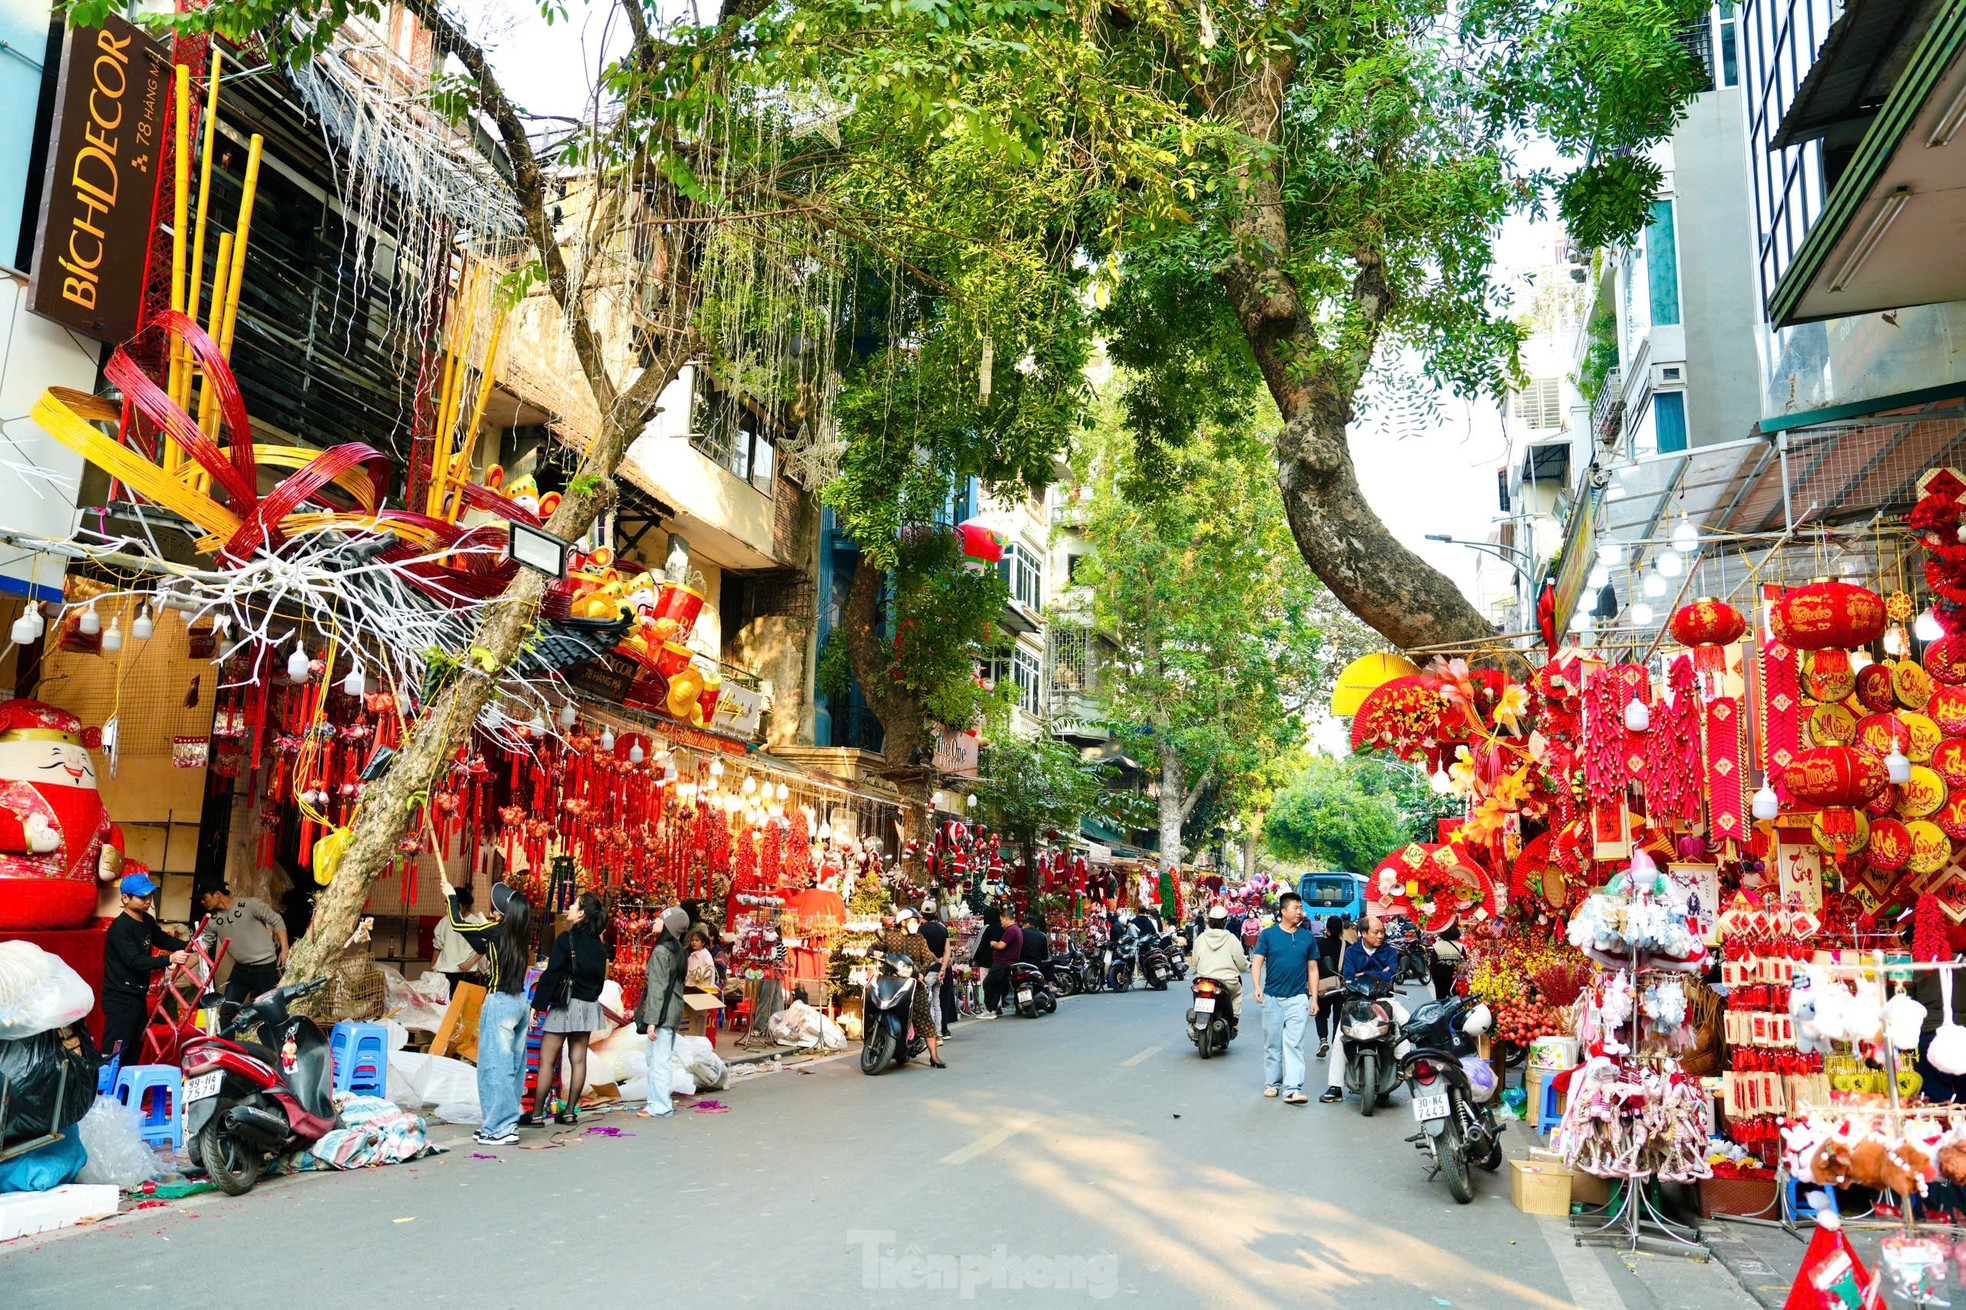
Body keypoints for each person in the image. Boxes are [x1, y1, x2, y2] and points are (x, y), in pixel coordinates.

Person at [439, 873, 533, 1146]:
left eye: (495, 907)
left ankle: (501, 1127)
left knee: (494, 1067)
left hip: (500, 1003)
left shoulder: (495, 930)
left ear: (502, 913)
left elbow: (457, 924)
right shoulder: (516, 933)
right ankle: (500, 1124)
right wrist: (482, 925)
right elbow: (480, 944)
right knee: (512, 1068)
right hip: (519, 1004)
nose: (492, 908)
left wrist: (451, 897)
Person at [527, 891, 608, 1127]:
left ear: (581, 913)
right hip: (588, 1006)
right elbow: (599, 983)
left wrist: (537, 1005)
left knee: (546, 1060)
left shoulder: (566, 939)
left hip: (565, 1006)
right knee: (579, 1059)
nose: (570, 907)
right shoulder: (599, 946)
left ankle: (536, 1115)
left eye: (574, 904)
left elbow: (552, 975)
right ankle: (570, 1112)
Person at [101, 872, 189, 1065]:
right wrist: (169, 959)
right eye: (142, 897)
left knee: (134, 1048)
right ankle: (101, 1092)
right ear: (125, 898)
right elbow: (135, 960)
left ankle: (124, 1093)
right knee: (115, 1050)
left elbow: (162, 939)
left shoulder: (147, 920)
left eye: (150, 896)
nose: (148, 901)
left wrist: (189, 945)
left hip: (138, 995)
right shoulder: (120, 927)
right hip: (120, 997)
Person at [1321, 916, 1404, 1104]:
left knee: (1404, 1022)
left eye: (1382, 931)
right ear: (1364, 933)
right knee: (1339, 1038)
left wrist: (1365, 974)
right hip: (1356, 1000)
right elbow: (1349, 976)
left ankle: (1402, 1064)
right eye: (1376, 932)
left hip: (1384, 999)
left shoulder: (1389, 951)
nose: (1381, 935)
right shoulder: (1352, 952)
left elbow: (1391, 974)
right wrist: (1378, 973)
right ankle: (1335, 1086)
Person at [1250, 891, 1320, 1104]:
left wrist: (1314, 998)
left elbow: (1313, 970)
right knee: (1272, 1044)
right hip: (1272, 997)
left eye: (1300, 908)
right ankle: (1272, 1083)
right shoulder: (1268, 935)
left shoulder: (1307, 937)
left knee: (1294, 1043)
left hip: (1298, 998)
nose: (1300, 912)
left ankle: (1292, 1088)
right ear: (1283, 911)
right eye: (1295, 908)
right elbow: (1258, 962)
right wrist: (1256, 987)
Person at [633, 906, 689, 1118]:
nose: (655, 922)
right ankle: (656, 1102)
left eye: (660, 919)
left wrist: (652, 1021)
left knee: (658, 1060)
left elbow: (657, 988)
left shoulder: (660, 952)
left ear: (668, 926)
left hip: (662, 1013)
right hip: (672, 1010)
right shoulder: (677, 951)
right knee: (660, 1059)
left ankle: (660, 1105)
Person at [196, 882, 289, 1006]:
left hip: (265, 967)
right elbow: (202, 948)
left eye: (204, 897)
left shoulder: (250, 904)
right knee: (227, 1009)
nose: (202, 902)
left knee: (271, 1008)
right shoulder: (211, 920)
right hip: (241, 969)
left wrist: (285, 949)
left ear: (217, 894)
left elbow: (276, 920)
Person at [875, 908, 945, 1067]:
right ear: (903, 922)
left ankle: (934, 1056)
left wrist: (921, 973)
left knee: (924, 1016)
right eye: (913, 921)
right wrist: (874, 952)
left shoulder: (919, 939)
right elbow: (876, 947)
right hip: (892, 981)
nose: (916, 924)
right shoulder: (890, 937)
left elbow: (927, 960)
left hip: (913, 982)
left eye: (917, 921)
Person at [1190, 904, 1248, 1022]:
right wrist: (1246, 966)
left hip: (1203, 980)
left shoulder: (1201, 938)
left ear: (1209, 921)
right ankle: (1234, 1021)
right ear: (1225, 921)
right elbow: (1242, 965)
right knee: (1237, 994)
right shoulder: (1231, 939)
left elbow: (1195, 961)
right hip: (1227, 982)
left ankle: (1193, 1023)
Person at [431, 885, 487, 995]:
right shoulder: (444, 921)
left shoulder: (475, 922)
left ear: (465, 905)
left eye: (457, 906)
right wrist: (431, 968)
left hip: (465, 971)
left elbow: (484, 947)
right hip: (443, 971)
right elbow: (437, 947)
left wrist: (471, 962)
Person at [918, 900, 956, 1038]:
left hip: (927, 970)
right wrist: (943, 967)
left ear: (922, 913)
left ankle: (927, 1031)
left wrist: (935, 959)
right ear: (935, 913)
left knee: (925, 1000)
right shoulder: (943, 929)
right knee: (938, 1001)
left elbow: (925, 950)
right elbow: (947, 951)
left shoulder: (920, 929)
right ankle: (941, 1030)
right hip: (940, 970)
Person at [1313, 914, 1348, 1058]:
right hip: (1341, 987)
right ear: (1341, 930)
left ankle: (1323, 1040)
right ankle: (1336, 1044)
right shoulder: (1347, 947)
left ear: (1327, 929)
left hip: (1322, 986)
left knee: (1321, 1014)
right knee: (1338, 1017)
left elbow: (1312, 966)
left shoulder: (1319, 944)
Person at [974, 905, 1009, 1012]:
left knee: (986, 983)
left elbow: (979, 945)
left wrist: (974, 958)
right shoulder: (1002, 929)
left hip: (985, 961)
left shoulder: (986, 928)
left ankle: (987, 1006)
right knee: (997, 982)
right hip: (998, 961)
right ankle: (998, 1004)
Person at [992, 914, 1024, 1014]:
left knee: (990, 984)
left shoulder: (1011, 930)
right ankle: (997, 1007)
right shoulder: (1018, 930)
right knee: (1000, 985)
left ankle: (991, 1008)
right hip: (1011, 962)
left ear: (1006, 918)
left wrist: (993, 944)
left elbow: (1001, 946)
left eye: (1001, 920)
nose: (1001, 923)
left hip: (1003, 963)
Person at [1430, 923, 1463, 1002]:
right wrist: (1461, 978)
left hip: (1440, 978)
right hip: (1454, 980)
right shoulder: (1460, 946)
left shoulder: (1437, 946)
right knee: (1456, 1002)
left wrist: (1434, 977)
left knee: (1440, 1001)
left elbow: (1433, 964)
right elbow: (1464, 963)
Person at [685, 925, 718, 990]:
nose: (693, 942)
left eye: (697, 940)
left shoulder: (706, 954)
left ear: (703, 943)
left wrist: (696, 974)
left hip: (703, 987)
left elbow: (710, 969)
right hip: (692, 986)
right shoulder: (691, 956)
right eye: (692, 940)